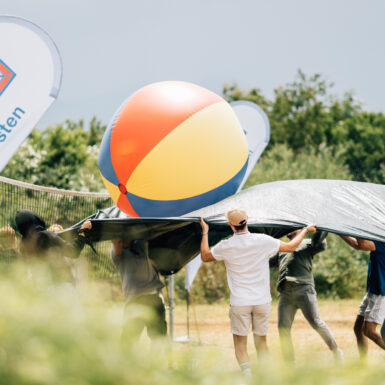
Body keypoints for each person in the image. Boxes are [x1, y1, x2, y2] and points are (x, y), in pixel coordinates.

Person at [200, 208, 316, 375]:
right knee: (261, 342)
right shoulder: (263, 240)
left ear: (230, 226)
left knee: (240, 344)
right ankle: (264, 376)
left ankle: (247, 376)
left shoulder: (226, 245)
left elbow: (205, 255)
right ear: (247, 219)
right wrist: (305, 229)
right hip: (262, 301)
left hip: (240, 302)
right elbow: (291, 247)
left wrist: (205, 232)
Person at [270, 230, 343, 362]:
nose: (290, 229)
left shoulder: (308, 243)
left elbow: (320, 242)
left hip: (304, 289)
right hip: (285, 293)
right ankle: (289, 363)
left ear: (300, 229)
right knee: (283, 328)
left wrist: (321, 228)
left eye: (294, 227)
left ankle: (336, 351)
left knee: (316, 322)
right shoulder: (282, 247)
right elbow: (268, 262)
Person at [110, 237, 167, 341]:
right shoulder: (117, 253)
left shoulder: (140, 244)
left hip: (154, 297)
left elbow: (147, 234)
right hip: (135, 300)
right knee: (128, 340)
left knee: (159, 339)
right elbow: (116, 242)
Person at [14, 210, 91, 284]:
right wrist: (83, 231)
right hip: (58, 284)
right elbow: (74, 252)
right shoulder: (46, 236)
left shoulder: (23, 243)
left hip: (38, 285)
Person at [340, 235, 385, 358]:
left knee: (369, 331)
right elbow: (357, 245)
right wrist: (341, 233)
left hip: (381, 292)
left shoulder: (382, 241)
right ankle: (363, 364)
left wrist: (358, 227)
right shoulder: (378, 241)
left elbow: (362, 244)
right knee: (358, 328)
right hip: (373, 290)